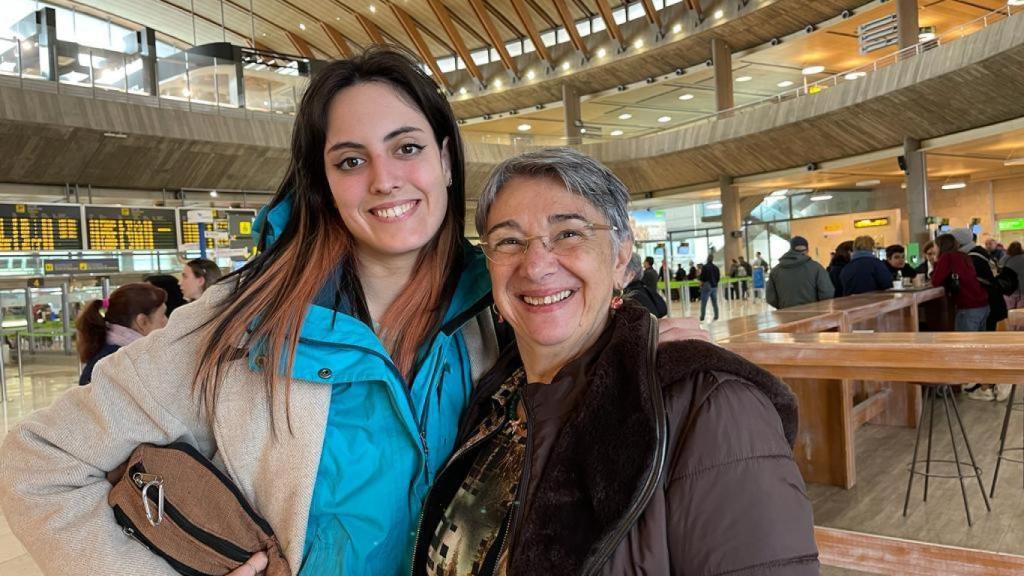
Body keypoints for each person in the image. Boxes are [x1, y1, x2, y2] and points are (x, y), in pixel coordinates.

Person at [0, 48, 703, 576]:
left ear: (447, 158)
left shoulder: (502, 307)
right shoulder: (242, 323)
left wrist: (646, 334)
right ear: (323, 183)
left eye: (405, 148)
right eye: (349, 161)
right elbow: (37, 464)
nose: (384, 179)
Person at [412, 148, 818, 575]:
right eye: (509, 241)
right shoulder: (492, 398)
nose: (535, 266)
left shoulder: (708, 406)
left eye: (569, 233)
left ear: (621, 255)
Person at [930, 234, 994, 401]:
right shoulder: (964, 256)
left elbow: (936, 281)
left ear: (940, 246)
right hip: (982, 305)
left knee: (965, 349)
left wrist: (935, 263)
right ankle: (984, 385)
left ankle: (981, 387)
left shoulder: (947, 257)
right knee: (978, 348)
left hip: (969, 307)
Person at [76, 283, 168, 386]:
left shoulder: (112, 354)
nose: (167, 321)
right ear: (142, 322)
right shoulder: (122, 363)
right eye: (163, 315)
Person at [952, 227, 1007, 332]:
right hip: (992, 302)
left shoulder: (971, 258)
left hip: (984, 304)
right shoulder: (980, 252)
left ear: (958, 243)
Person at [766, 236, 834, 309]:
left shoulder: (775, 271)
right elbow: (827, 293)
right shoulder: (816, 268)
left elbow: (771, 298)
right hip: (813, 315)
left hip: (786, 315)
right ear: (807, 250)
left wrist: (784, 307)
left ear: (791, 249)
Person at [699, 253, 720, 321]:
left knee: (704, 302)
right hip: (714, 286)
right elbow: (718, 278)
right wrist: (715, 283)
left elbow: (702, 277)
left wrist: (701, 284)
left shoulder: (705, 267)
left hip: (707, 286)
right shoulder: (716, 267)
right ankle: (716, 316)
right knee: (714, 302)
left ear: (707, 258)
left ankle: (702, 317)